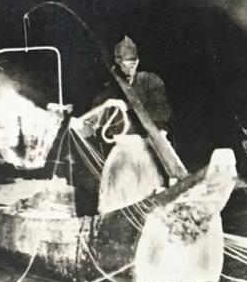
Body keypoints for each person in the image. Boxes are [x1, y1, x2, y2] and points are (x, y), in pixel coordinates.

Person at [66, 35, 172, 215]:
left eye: (131, 64)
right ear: (117, 66)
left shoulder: (150, 81)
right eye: (122, 65)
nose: (127, 69)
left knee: (152, 201)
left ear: (137, 62)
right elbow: (91, 127)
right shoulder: (110, 92)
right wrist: (78, 126)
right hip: (124, 153)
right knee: (118, 202)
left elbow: (163, 112)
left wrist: (129, 108)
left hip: (151, 151)